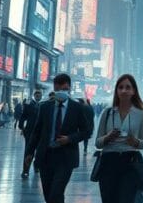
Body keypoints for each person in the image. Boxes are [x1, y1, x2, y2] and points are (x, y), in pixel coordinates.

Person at [25, 73, 94, 203]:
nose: (61, 92)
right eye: (58, 89)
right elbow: (37, 132)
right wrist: (30, 152)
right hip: (46, 156)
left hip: (65, 157)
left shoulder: (77, 108)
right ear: (54, 88)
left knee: (56, 192)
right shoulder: (45, 107)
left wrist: (70, 139)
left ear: (69, 88)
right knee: (49, 194)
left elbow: (86, 131)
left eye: (65, 89)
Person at [95, 74, 143, 203]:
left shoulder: (140, 114)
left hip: (130, 162)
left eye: (128, 87)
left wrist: (135, 142)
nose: (124, 91)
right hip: (108, 162)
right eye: (120, 87)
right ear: (116, 91)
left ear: (134, 91)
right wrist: (108, 137)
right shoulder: (107, 112)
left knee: (126, 199)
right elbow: (97, 143)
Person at [20, 89, 45, 178]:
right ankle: (25, 170)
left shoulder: (44, 105)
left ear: (41, 96)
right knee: (28, 151)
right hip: (30, 131)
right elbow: (23, 116)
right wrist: (21, 127)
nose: (38, 96)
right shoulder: (28, 104)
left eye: (39, 95)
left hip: (41, 132)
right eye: (36, 95)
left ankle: (36, 166)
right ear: (34, 96)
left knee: (39, 151)